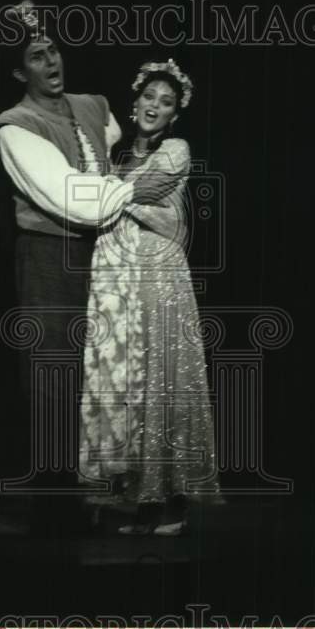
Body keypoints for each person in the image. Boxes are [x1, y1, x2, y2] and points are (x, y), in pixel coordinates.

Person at [0, 2, 179, 535]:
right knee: (53, 371)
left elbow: (109, 138)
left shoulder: (93, 105)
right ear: (19, 72)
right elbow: (73, 198)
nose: (51, 61)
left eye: (52, 49)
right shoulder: (15, 126)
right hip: (49, 254)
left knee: (102, 371)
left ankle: (99, 492)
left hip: (103, 253)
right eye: (36, 56)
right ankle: (54, 504)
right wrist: (139, 189)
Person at [79, 59, 221, 536]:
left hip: (159, 276)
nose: (154, 106)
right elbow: (105, 202)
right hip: (121, 280)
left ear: (175, 114)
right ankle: (143, 502)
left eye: (166, 102)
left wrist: (104, 190)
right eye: (149, 97)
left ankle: (174, 504)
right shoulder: (117, 157)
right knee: (131, 388)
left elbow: (133, 196)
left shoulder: (175, 150)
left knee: (165, 380)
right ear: (135, 101)